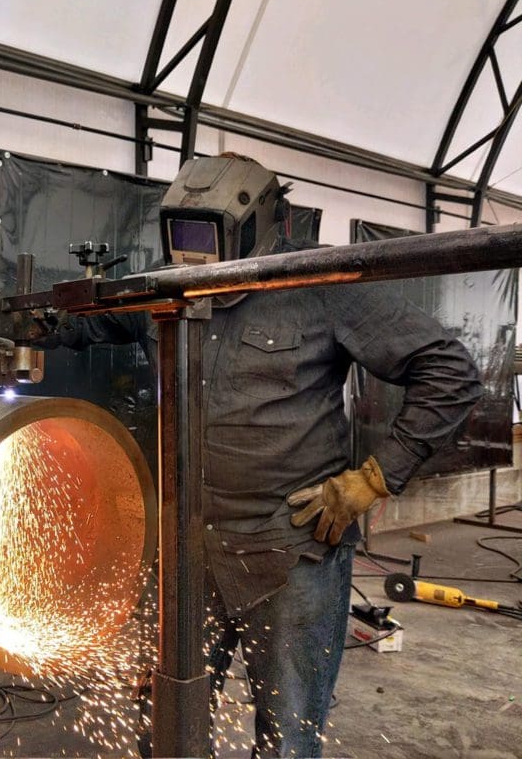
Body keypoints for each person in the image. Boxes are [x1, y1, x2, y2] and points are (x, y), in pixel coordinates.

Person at [36, 154, 484, 757]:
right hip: (188, 554)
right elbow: (93, 321)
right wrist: (30, 320)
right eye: (180, 239)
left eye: (206, 238)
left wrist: (375, 479)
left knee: (288, 740)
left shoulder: (321, 285)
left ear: (257, 226)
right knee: (164, 724)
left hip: (289, 555)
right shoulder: (169, 286)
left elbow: (450, 371)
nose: (192, 258)